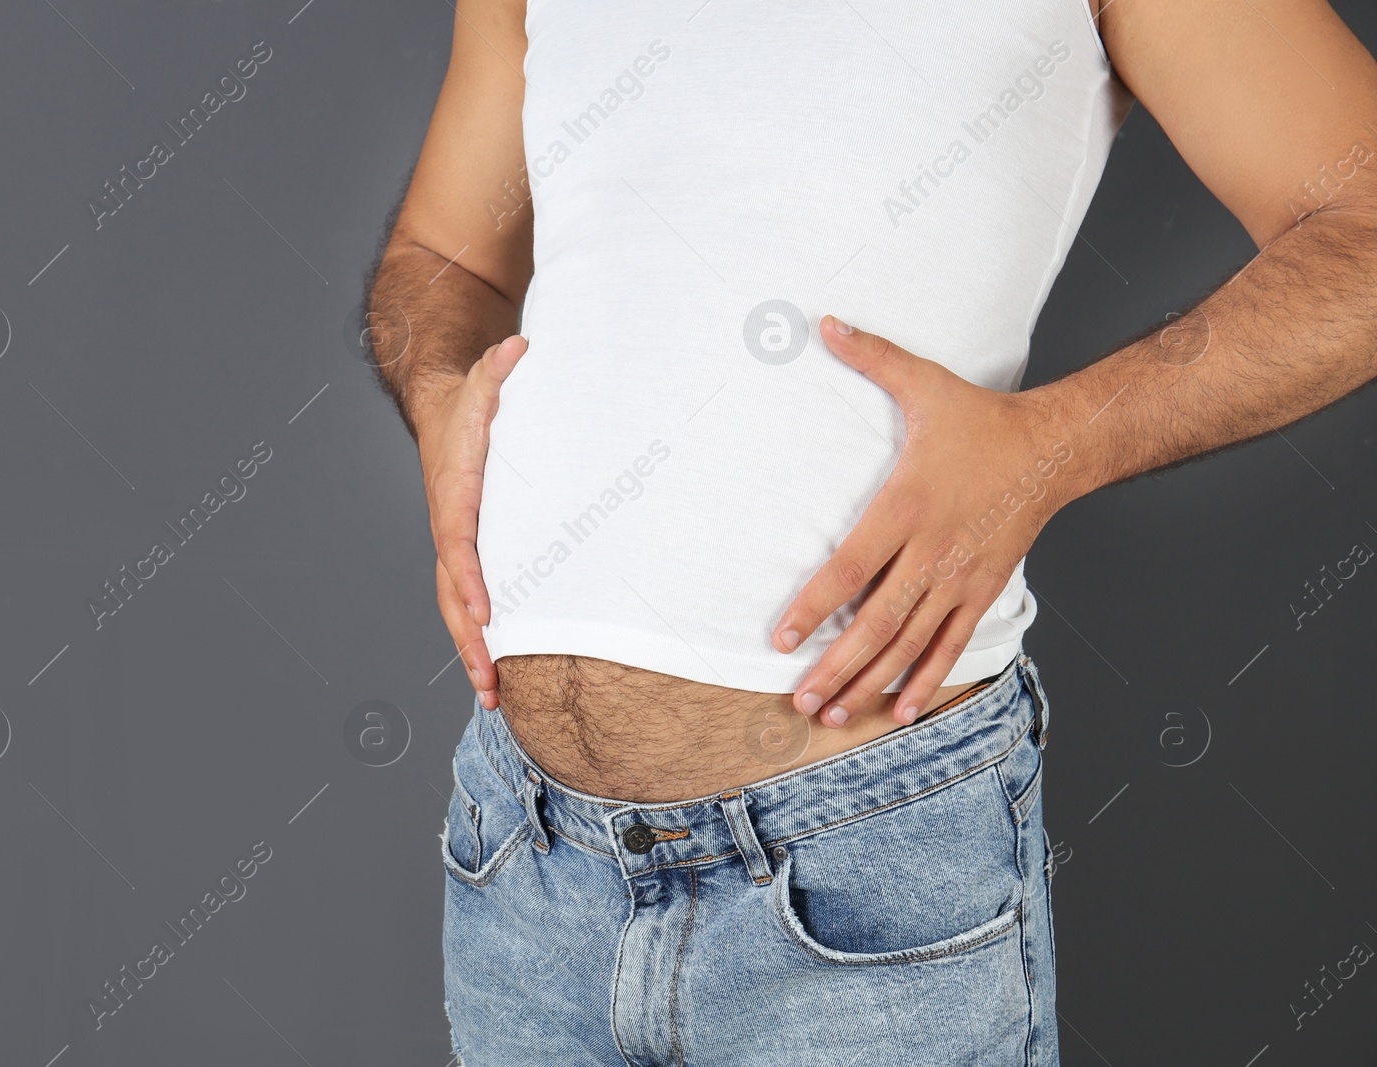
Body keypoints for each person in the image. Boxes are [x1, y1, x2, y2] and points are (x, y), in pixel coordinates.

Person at [367, 1, 1377, 1062]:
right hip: (523, 861)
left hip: (863, 863)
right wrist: (439, 389)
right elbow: (444, 254)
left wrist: (1052, 442)